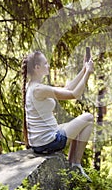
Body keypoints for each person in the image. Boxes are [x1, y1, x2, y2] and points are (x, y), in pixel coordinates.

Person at [21, 50, 94, 181]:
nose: (48, 65)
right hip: (48, 142)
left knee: (78, 125)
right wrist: (88, 73)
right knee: (88, 118)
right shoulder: (39, 89)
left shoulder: (32, 86)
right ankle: (75, 165)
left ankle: (73, 165)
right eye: (45, 63)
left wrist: (83, 70)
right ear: (37, 68)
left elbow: (66, 89)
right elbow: (74, 94)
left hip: (40, 142)